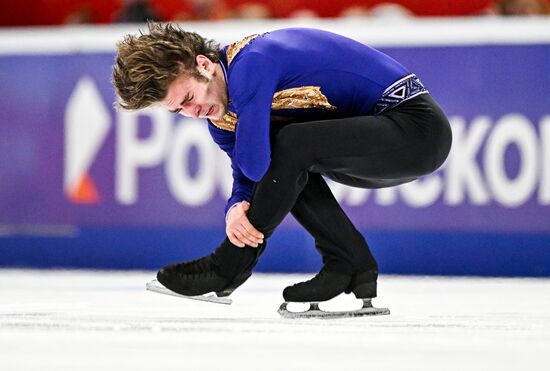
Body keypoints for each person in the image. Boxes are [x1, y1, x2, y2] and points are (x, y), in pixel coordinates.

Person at [112, 23, 452, 307]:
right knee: (290, 152)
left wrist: (245, 218)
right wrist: (235, 209)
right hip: (372, 146)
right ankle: (349, 264)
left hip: (417, 131)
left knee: (291, 144)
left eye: (188, 99)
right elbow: (251, 173)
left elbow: (257, 164)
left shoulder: (252, 63)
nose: (192, 113)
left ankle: (228, 266)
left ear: (204, 64)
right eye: (178, 111)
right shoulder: (223, 114)